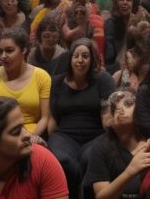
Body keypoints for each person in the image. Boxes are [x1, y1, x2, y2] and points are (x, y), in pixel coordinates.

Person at [48, 38, 115, 199]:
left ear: (92, 60)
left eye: (85, 56)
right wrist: (50, 140)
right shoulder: (57, 82)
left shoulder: (103, 80)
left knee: (89, 158)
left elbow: (108, 116)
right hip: (64, 135)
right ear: (70, 58)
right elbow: (53, 116)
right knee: (63, 160)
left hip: (95, 135)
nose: (80, 60)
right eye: (76, 56)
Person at [0, 27, 53, 141]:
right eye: (0, 51)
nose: (3, 56)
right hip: (1, 136)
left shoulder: (42, 77)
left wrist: (30, 138)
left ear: (24, 50)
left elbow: (45, 118)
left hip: (32, 136)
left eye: (9, 51)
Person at [85, 89, 150, 199]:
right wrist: (130, 171)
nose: (120, 109)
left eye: (128, 104)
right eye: (114, 107)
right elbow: (101, 197)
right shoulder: (100, 146)